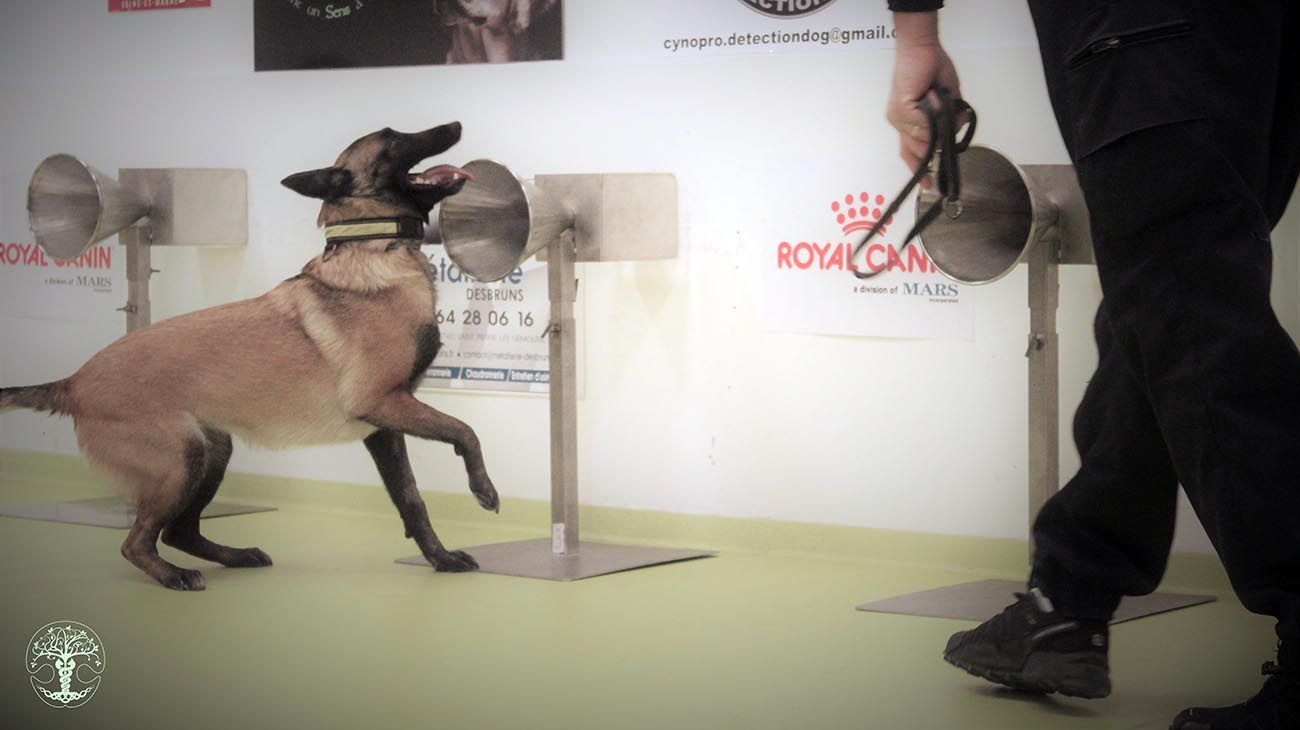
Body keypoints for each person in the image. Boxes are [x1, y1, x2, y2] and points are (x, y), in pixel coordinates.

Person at [884, 1, 1300, 727]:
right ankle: (1068, 597)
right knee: (1170, 293)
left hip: (1139, 19)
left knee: (1185, 301)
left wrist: (914, 32)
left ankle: (1072, 593)